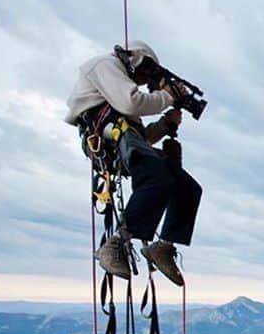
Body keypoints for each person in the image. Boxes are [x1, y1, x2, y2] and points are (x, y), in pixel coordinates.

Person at [64, 40, 201, 286]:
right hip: (105, 138)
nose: (142, 81)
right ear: (136, 59)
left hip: (119, 139)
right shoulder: (104, 65)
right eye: (145, 74)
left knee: (188, 188)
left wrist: (165, 125)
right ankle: (116, 243)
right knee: (157, 176)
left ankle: (164, 246)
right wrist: (167, 97)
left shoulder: (118, 91)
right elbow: (132, 103)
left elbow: (140, 139)